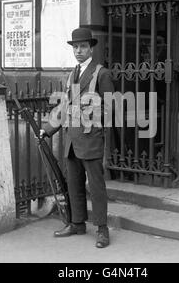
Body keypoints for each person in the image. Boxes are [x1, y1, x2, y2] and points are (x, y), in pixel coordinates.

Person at [40, 27, 114, 248]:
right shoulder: (73, 73)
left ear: (91, 48)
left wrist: (102, 138)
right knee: (74, 184)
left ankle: (102, 229)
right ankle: (77, 223)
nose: (79, 51)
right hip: (72, 140)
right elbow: (65, 105)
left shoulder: (102, 73)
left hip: (91, 139)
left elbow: (110, 110)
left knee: (97, 187)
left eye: (83, 46)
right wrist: (48, 129)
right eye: (75, 47)